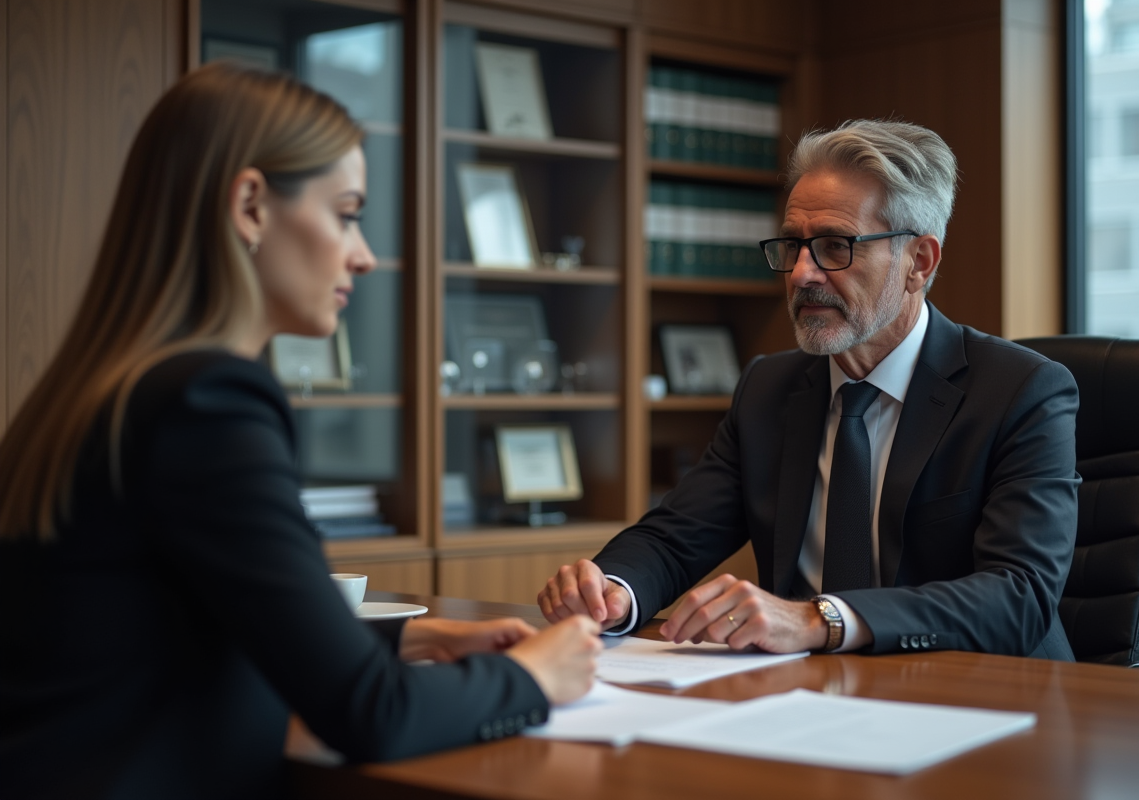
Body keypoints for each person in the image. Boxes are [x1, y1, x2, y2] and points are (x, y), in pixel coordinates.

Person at [0, 62, 600, 800]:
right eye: (346, 213)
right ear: (251, 205)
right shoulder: (208, 403)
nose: (365, 254)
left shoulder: (99, 390)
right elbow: (370, 714)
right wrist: (529, 677)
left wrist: (415, 636)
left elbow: (181, 619)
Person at [538, 119, 1080, 661]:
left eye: (833, 247)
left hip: (980, 699)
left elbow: (1020, 596)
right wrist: (612, 591)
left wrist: (821, 619)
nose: (801, 274)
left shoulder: (1021, 391)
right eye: (793, 246)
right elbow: (676, 536)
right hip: (806, 693)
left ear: (919, 262)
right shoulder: (768, 389)